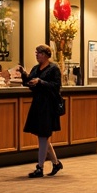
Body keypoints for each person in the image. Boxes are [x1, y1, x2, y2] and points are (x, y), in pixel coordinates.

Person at [17, 44, 63, 178]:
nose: (36, 55)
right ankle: (56, 163)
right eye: (36, 53)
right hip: (38, 104)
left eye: (39, 53)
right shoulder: (36, 68)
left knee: (43, 135)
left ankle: (40, 167)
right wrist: (24, 75)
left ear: (46, 55)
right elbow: (29, 82)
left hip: (48, 105)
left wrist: (41, 82)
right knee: (43, 136)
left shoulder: (53, 68)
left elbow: (56, 86)